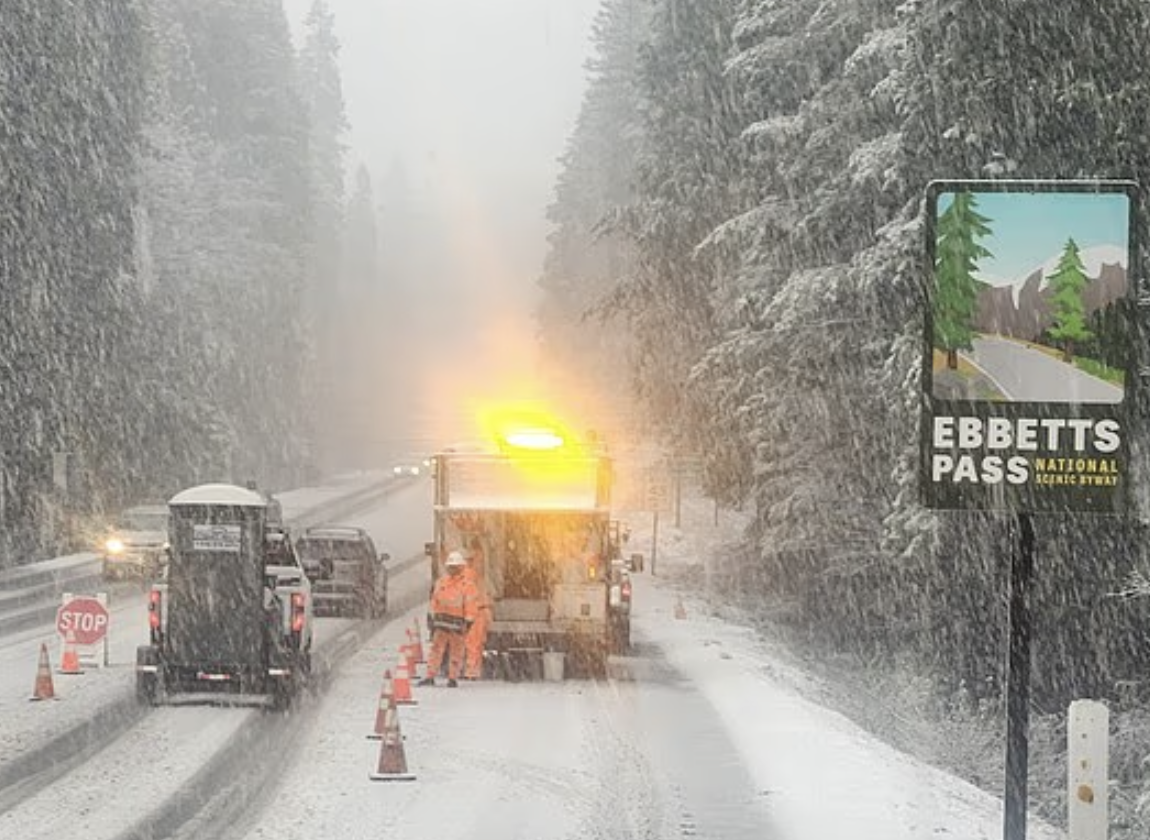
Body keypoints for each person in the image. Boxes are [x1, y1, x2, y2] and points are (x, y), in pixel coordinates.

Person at [418, 551, 476, 687]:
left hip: (457, 624)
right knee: (437, 650)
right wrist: (431, 616)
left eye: (455, 567)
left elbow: (470, 605)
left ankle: (452, 678)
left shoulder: (467, 585)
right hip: (442, 623)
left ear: (461, 567)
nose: (452, 569)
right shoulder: (441, 582)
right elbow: (434, 601)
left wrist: (468, 622)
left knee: (456, 652)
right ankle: (431, 676)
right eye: (451, 567)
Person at [462, 537, 491, 680]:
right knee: (477, 644)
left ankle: (471, 671)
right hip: (483, 610)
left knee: (472, 643)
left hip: (476, 612)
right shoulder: (479, 568)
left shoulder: (468, 573)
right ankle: (475, 670)